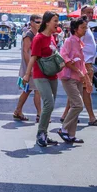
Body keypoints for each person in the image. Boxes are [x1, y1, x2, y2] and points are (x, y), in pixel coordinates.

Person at [61, 5, 97, 127]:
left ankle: (66, 114)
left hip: (86, 63)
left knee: (77, 91)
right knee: (85, 91)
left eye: (92, 12)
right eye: (87, 12)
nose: (90, 15)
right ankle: (91, 117)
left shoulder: (85, 27)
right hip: (84, 64)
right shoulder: (80, 28)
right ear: (82, 13)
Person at [23, 11, 60, 147]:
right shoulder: (38, 38)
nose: (57, 23)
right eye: (55, 21)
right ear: (48, 22)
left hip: (53, 75)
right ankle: (40, 134)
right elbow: (33, 57)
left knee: (50, 106)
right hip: (40, 75)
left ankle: (45, 133)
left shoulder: (52, 37)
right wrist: (27, 74)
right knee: (48, 103)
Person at [57, 18, 91, 144]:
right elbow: (64, 59)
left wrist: (87, 80)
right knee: (78, 105)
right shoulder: (69, 41)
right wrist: (78, 71)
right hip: (69, 77)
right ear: (75, 29)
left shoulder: (79, 42)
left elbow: (82, 64)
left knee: (74, 105)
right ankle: (63, 128)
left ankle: (71, 135)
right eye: (82, 27)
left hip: (77, 78)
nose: (85, 30)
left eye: (85, 27)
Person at [13, 14, 42, 122]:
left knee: (28, 90)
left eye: (41, 22)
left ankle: (18, 111)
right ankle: (40, 114)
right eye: (37, 22)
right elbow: (26, 52)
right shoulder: (28, 34)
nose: (40, 24)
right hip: (30, 67)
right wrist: (30, 69)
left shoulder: (36, 34)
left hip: (34, 66)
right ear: (31, 23)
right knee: (37, 89)